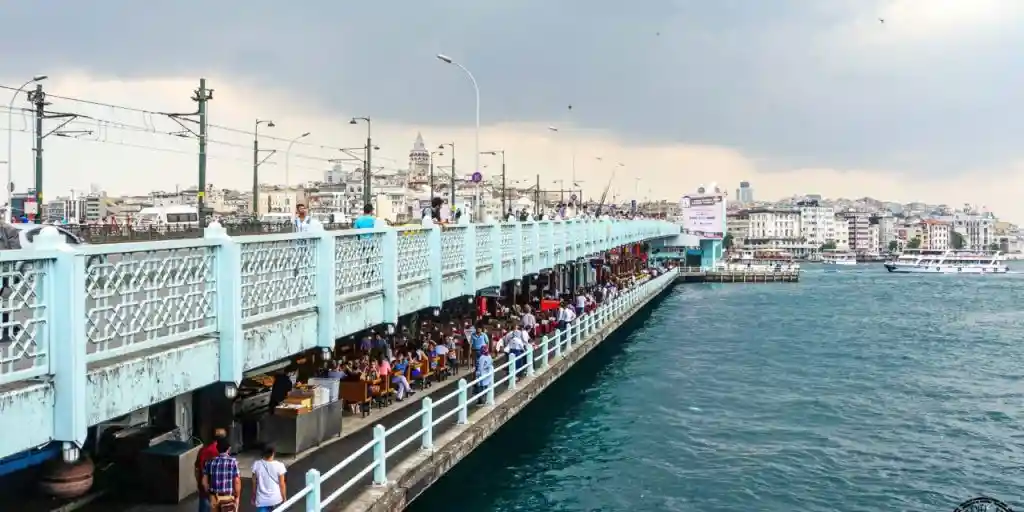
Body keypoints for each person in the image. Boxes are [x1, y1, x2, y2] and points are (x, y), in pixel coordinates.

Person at [202, 437, 241, 512]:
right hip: (228, 497)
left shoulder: (210, 462)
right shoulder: (233, 462)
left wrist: (210, 494)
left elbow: (204, 482)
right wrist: (237, 497)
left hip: (214, 497)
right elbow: (237, 481)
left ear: (217, 448)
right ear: (229, 448)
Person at [195, 428, 227, 512]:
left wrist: (199, 484)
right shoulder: (220, 453)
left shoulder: (203, 450)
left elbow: (197, 470)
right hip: (218, 491)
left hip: (204, 489)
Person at [251, 445, 287, 512]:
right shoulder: (279, 465)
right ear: (273, 453)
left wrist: (253, 496)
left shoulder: (256, 464)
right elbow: (282, 484)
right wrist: (284, 498)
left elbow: (254, 483)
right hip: (276, 499)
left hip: (262, 500)